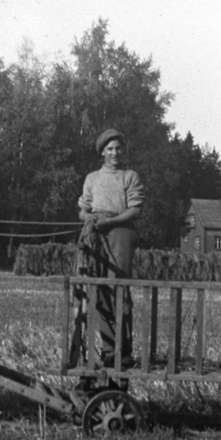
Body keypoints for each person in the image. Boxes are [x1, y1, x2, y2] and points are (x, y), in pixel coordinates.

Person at [73, 128, 144, 370]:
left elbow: (135, 210)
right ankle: (108, 350)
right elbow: (83, 209)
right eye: (110, 149)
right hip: (95, 233)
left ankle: (124, 353)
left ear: (123, 151)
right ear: (102, 151)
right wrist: (89, 219)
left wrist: (110, 222)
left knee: (119, 290)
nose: (114, 153)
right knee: (97, 291)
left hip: (121, 232)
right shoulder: (92, 178)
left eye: (118, 148)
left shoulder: (130, 176)